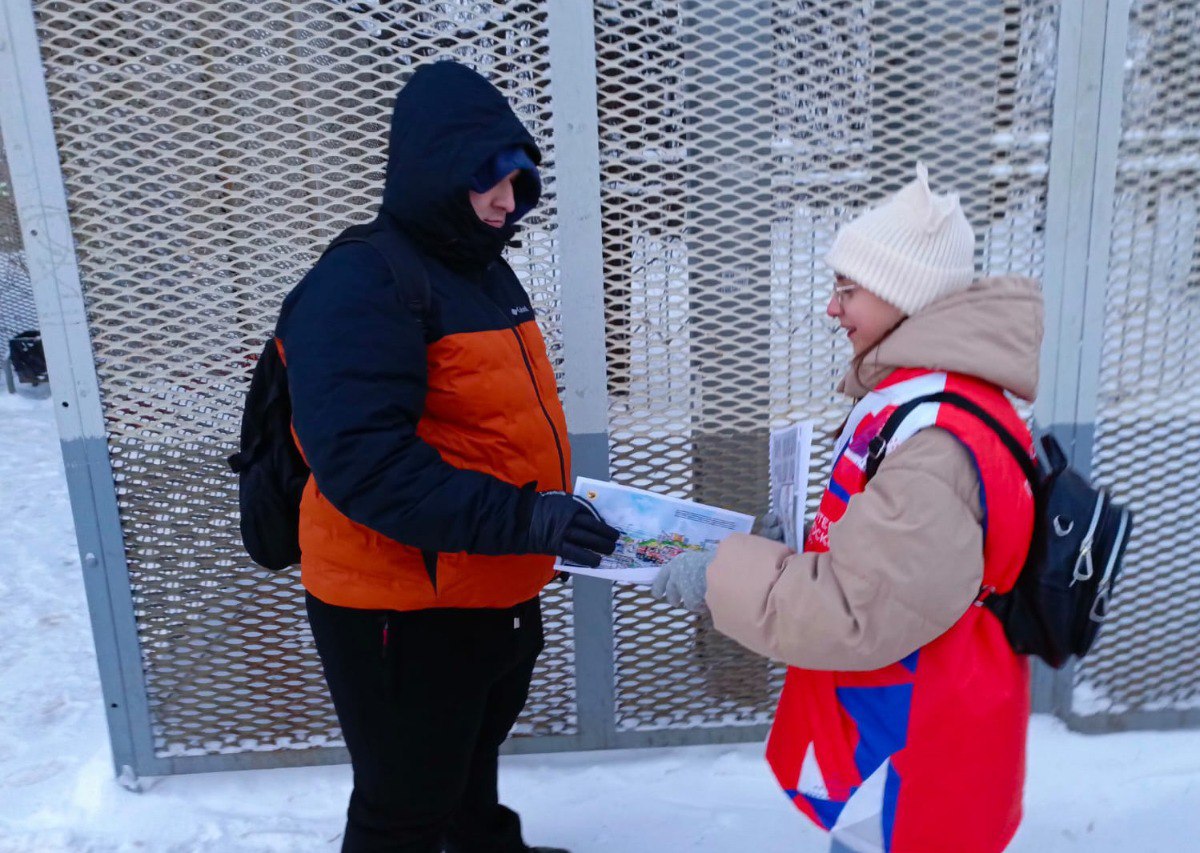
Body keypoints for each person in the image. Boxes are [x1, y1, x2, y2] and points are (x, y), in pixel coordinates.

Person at [277, 61, 619, 853]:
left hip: (483, 579)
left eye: (519, 181)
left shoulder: (479, 271)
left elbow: (491, 423)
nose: (507, 200)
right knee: (404, 801)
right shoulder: (362, 282)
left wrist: (544, 520)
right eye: (488, 178)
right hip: (399, 604)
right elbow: (365, 464)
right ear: (435, 169)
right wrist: (525, 517)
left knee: (469, 757)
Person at [652, 163, 1043, 852]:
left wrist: (720, 577)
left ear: (903, 293)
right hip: (904, 715)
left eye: (847, 289)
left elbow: (859, 611)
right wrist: (795, 546)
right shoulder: (927, 399)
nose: (832, 309)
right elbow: (892, 563)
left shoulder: (937, 441)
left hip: (920, 741)